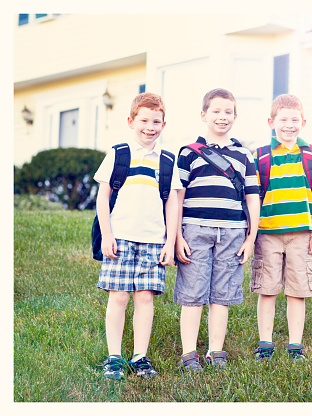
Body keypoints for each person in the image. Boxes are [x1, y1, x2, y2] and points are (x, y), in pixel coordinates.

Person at [94, 92, 182, 380]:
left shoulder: (168, 161)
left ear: (164, 124)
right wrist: (107, 235)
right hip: (119, 238)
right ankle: (115, 357)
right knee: (118, 297)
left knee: (145, 298)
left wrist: (170, 242)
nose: (150, 126)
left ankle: (140, 357)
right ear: (131, 121)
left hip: (154, 240)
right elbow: (103, 196)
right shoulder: (118, 154)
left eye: (156, 121)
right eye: (144, 120)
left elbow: (173, 203)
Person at [174, 88, 260, 372]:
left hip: (233, 233)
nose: (222, 117)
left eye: (228, 112)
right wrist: (176, 237)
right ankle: (189, 353)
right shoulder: (188, 153)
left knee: (222, 294)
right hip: (194, 230)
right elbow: (178, 197)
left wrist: (251, 237)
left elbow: (252, 198)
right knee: (193, 292)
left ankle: (215, 350)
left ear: (235, 116)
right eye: (216, 111)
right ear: (203, 115)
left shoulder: (244, 155)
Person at [250, 94, 312, 362]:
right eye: (283, 119)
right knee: (268, 288)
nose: (289, 124)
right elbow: (254, 198)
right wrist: (252, 234)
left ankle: (295, 346)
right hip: (268, 234)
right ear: (271, 122)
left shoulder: (311, 154)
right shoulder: (260, 156)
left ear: (303, 122)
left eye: (295, 119)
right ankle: (265, 344)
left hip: (301, 234)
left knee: (298, 290)